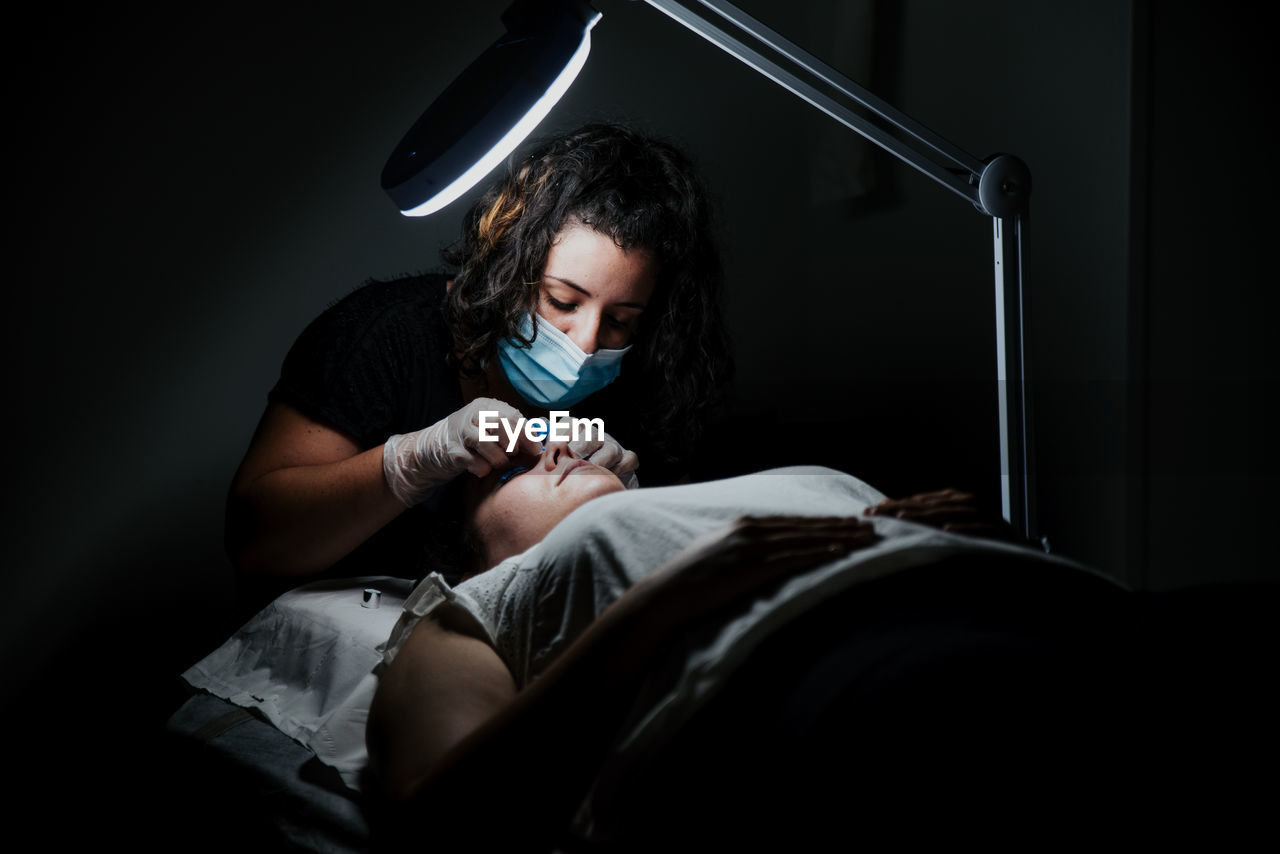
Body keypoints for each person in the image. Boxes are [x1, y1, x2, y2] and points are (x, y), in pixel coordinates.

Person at [364, 451, 1128, 850]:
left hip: (1083, 614)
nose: (551, 447)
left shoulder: (774, 479)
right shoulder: (480, 603)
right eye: (510, 470)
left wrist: (988, 535)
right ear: (475, 554)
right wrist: (660, 601)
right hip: (855, 703)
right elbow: (435, 818)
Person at [224, 122, 733, 591]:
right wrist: (412, 461)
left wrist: (629, 508)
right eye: (561, 301)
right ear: (507, 267)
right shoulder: (388, 336)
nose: (585, 343)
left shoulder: (639, 390)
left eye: (621, 320)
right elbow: (256, 542)